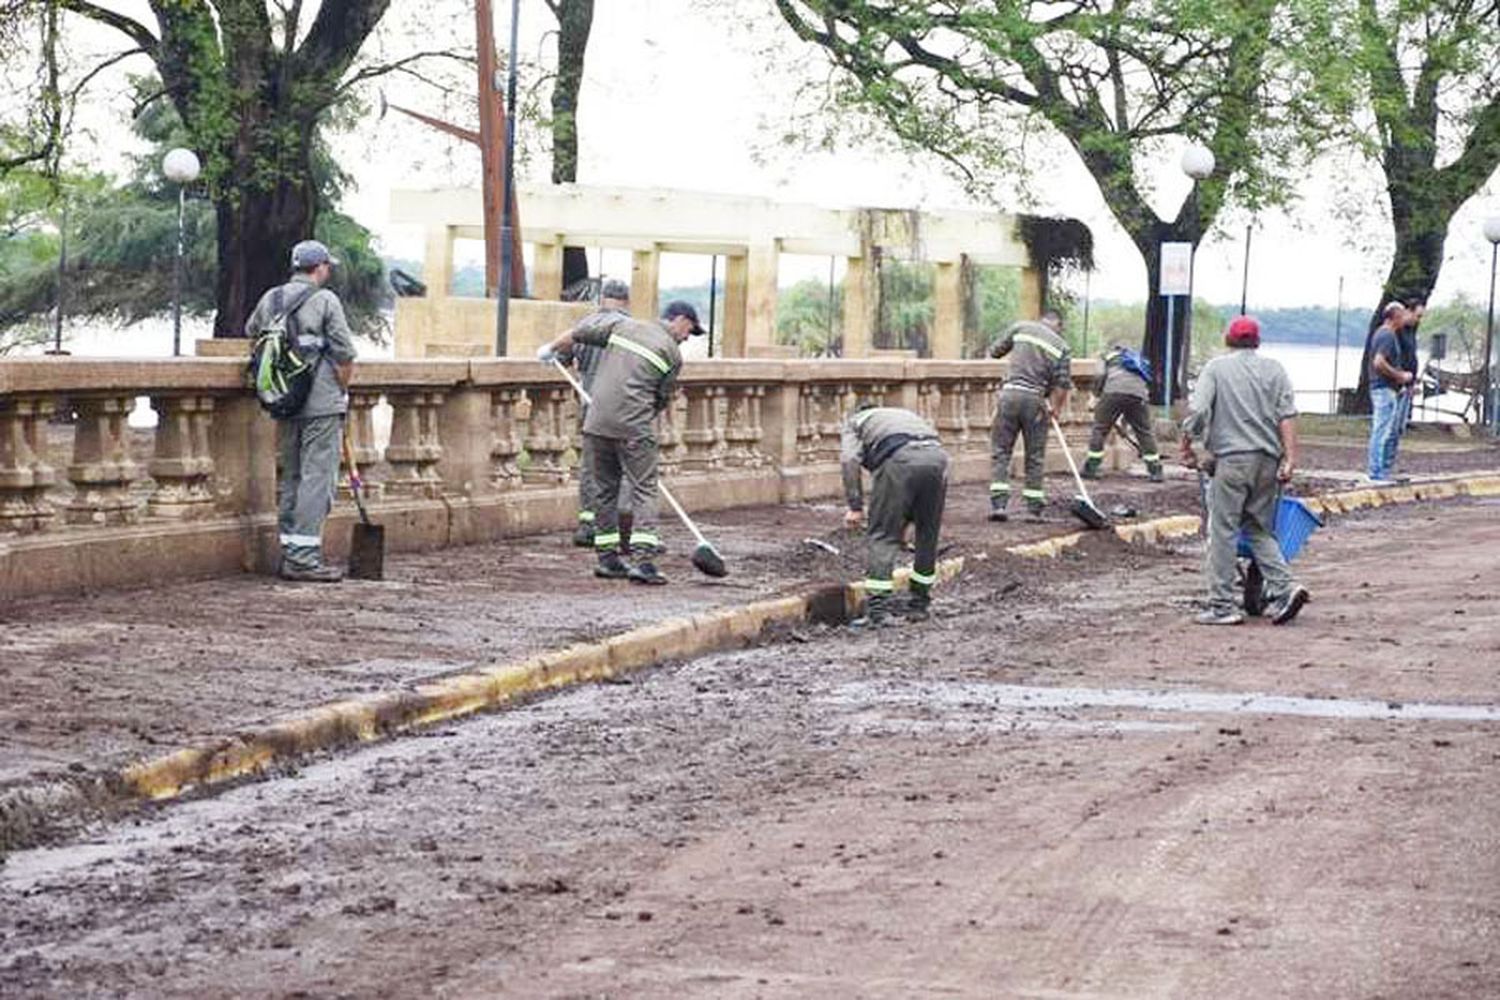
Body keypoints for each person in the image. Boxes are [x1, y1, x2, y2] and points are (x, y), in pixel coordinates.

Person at [537, 300, 704, 584]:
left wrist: (551, 349)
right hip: (634, 428)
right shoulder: (672, 354)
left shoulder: (622, 326)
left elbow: (579, 332)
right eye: (690, 329)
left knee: (604, 490)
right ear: (679, 320)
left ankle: (608, 559)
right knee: (644, 489)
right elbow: (659, 399)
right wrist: (637, 421)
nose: (688, 337)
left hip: (596, 423)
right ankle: (643, 561)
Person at [1181, 315, 1309, 626]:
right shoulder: (1275, 370)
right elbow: (1287, 416)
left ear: (1228, 340)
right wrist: (1290, 459)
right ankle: (1285, 589)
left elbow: (1198, 410)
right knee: (1258, 529)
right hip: (1267, 461)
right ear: (1257, 342)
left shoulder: (1216, 368)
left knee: (1222, 529)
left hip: (1232, 460)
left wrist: (1187, 441)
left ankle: (1222, 606)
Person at [245, 239, 357, 583]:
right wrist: (343, 390)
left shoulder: (271, 298)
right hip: (321, 400)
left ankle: (290, 552)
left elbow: (252, 334)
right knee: (317, 479)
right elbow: (344, 352)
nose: (328, 271)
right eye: (327, 266)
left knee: (292, 475)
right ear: (319, 267)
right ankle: (305, 559)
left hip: (283, 399)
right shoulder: (325, 299)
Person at [840, 404, 949, 626]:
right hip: (938, 459)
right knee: (927, 534)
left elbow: (850, 460)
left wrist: (855, 506)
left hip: (899, 459)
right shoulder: (904, 415)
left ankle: (878, 611)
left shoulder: (854, 423)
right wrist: (905, 518)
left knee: (882, 535)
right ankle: (919, 605)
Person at [559, 279, 630, 547]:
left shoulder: (586, 326)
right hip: (625, 409)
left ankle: (589, 524)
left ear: (602, 299)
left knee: (592, 467)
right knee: (624, 468)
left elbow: (563, 356)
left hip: (592, 409)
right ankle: (617, 525)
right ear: (626, 301)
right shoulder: (631, 329)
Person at [987, 309, 1072, 521]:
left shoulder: (1021, 328)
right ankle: (1033, 509)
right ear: (1058, 325)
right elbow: (1062, 385)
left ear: (1041, 320)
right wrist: (1055, 409)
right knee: (1034, 456)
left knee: (1001, 451)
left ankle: (999, 505)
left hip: (1009, 395)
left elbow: (995, 351)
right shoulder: (1062, 347)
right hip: (1036, 400)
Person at [1082, 342, 1163, 482]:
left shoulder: (1106, 356)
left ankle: (1091, 468)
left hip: (1113, 392)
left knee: (1100, 429)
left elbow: (1100, 375)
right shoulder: (1136, 359)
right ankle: (1155, 470)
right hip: (1138, 395)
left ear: (1113, 348)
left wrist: (1096, 395)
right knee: (1144, 431)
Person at [1367, 301, 1413, 484]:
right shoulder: (1386, 335)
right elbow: (1378, 362)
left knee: (1384, 429)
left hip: (1386, 388)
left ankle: (1380, 471)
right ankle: (1376, 472)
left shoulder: (1383, 334)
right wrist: (1399, 375)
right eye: (1402, 315)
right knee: (1382, 430)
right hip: (1384, 389)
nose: (1405, 319)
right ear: (1395, 316)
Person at [1385, 297, 1425, 477]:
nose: (1418, 320)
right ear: (1407, 312)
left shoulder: (1410, 332)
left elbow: (1410, 357)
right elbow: (1394, 357)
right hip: (1398, 386)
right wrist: (1400, 379)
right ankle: (1382, 467)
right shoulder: (1396, 333)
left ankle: (1389, 465)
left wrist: (1413, 381)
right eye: (1417, 315)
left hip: (1408, 385)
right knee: (1391, 428)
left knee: (1399, 428)